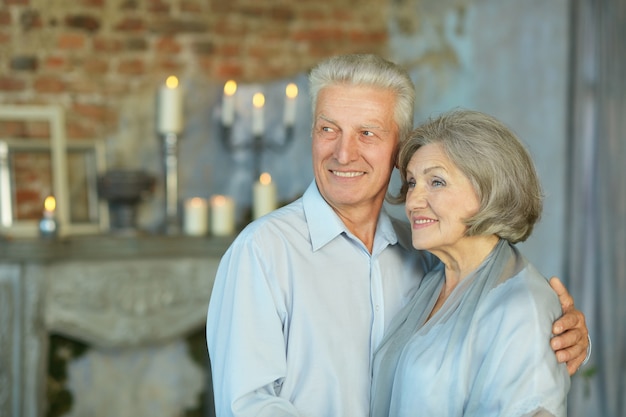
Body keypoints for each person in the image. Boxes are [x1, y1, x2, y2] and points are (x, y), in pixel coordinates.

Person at [206, 54, 588, 417]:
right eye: (328, 129)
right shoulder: (262, 252)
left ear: (399, 147)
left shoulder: (425, 254)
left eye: (367, 133)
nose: (343, 153)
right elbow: (248, 406)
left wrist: (554, 339)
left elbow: (497, 337)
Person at [370, 109, 570, 416]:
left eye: (436, 182)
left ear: (488, 190)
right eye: (412, 183)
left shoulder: (523, 306)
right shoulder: (430, 281)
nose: (412, 201)